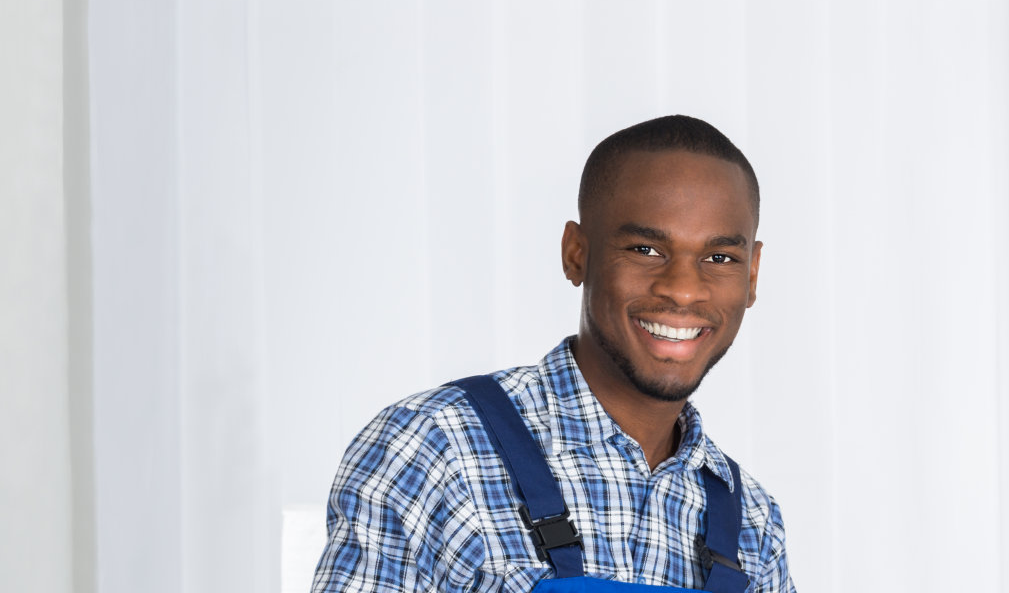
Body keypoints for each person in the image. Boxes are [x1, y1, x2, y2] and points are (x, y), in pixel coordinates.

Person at [312, 115, 795, 592]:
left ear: (751, 277)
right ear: (576, 254)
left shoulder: (752, 523)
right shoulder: (432, 450)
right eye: (646, 249)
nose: (684, 291)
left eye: (719, 259)